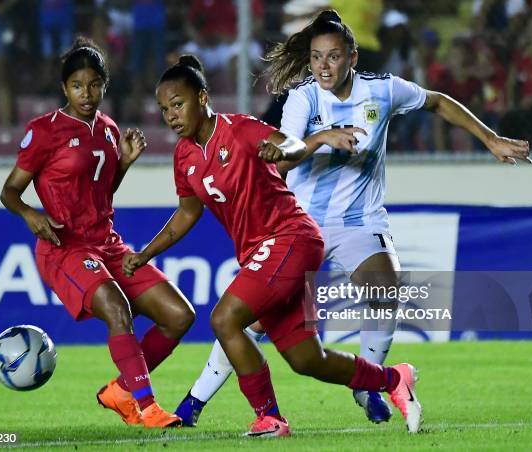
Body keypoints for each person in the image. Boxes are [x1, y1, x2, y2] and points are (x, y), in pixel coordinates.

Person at [172, 9, 532, 429]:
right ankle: (195, 400)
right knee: (252, 319)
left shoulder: (383, 91)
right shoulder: (303, 97)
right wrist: (321, 139)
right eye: (317, 57)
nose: (324, 66)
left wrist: (490, 140)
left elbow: (436, 101)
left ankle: (369, 388)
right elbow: (285, 155)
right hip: (299, 221)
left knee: (384, 289)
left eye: (334, 56)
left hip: (359, 220)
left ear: (353, 58)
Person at [123, 54, 424, 436]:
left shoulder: (241, 129)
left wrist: (282, 151)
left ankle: (269, 417)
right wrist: (146, 253)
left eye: (178, 104)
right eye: (164, 109)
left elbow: (295, 145)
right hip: (265, 251)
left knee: (224, 318)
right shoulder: (183, 156)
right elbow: (186, 213)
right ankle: (393, 379)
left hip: (290, 237)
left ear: (202, 98)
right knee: (306, 359)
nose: (171, 115)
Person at [0, 37, 195, 429]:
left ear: (104, 84)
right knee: (118, 310)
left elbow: (99, 193)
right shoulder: (44, 131)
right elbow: (9, 191)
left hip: (106, 243)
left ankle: (122, 390)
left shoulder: (107, 128)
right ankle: (146, 406)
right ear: (63, 88)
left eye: (93, 85)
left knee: (179, 315)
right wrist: (29, 214)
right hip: (64, 247)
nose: (85, 94)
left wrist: (122, 163)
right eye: (76, 86)